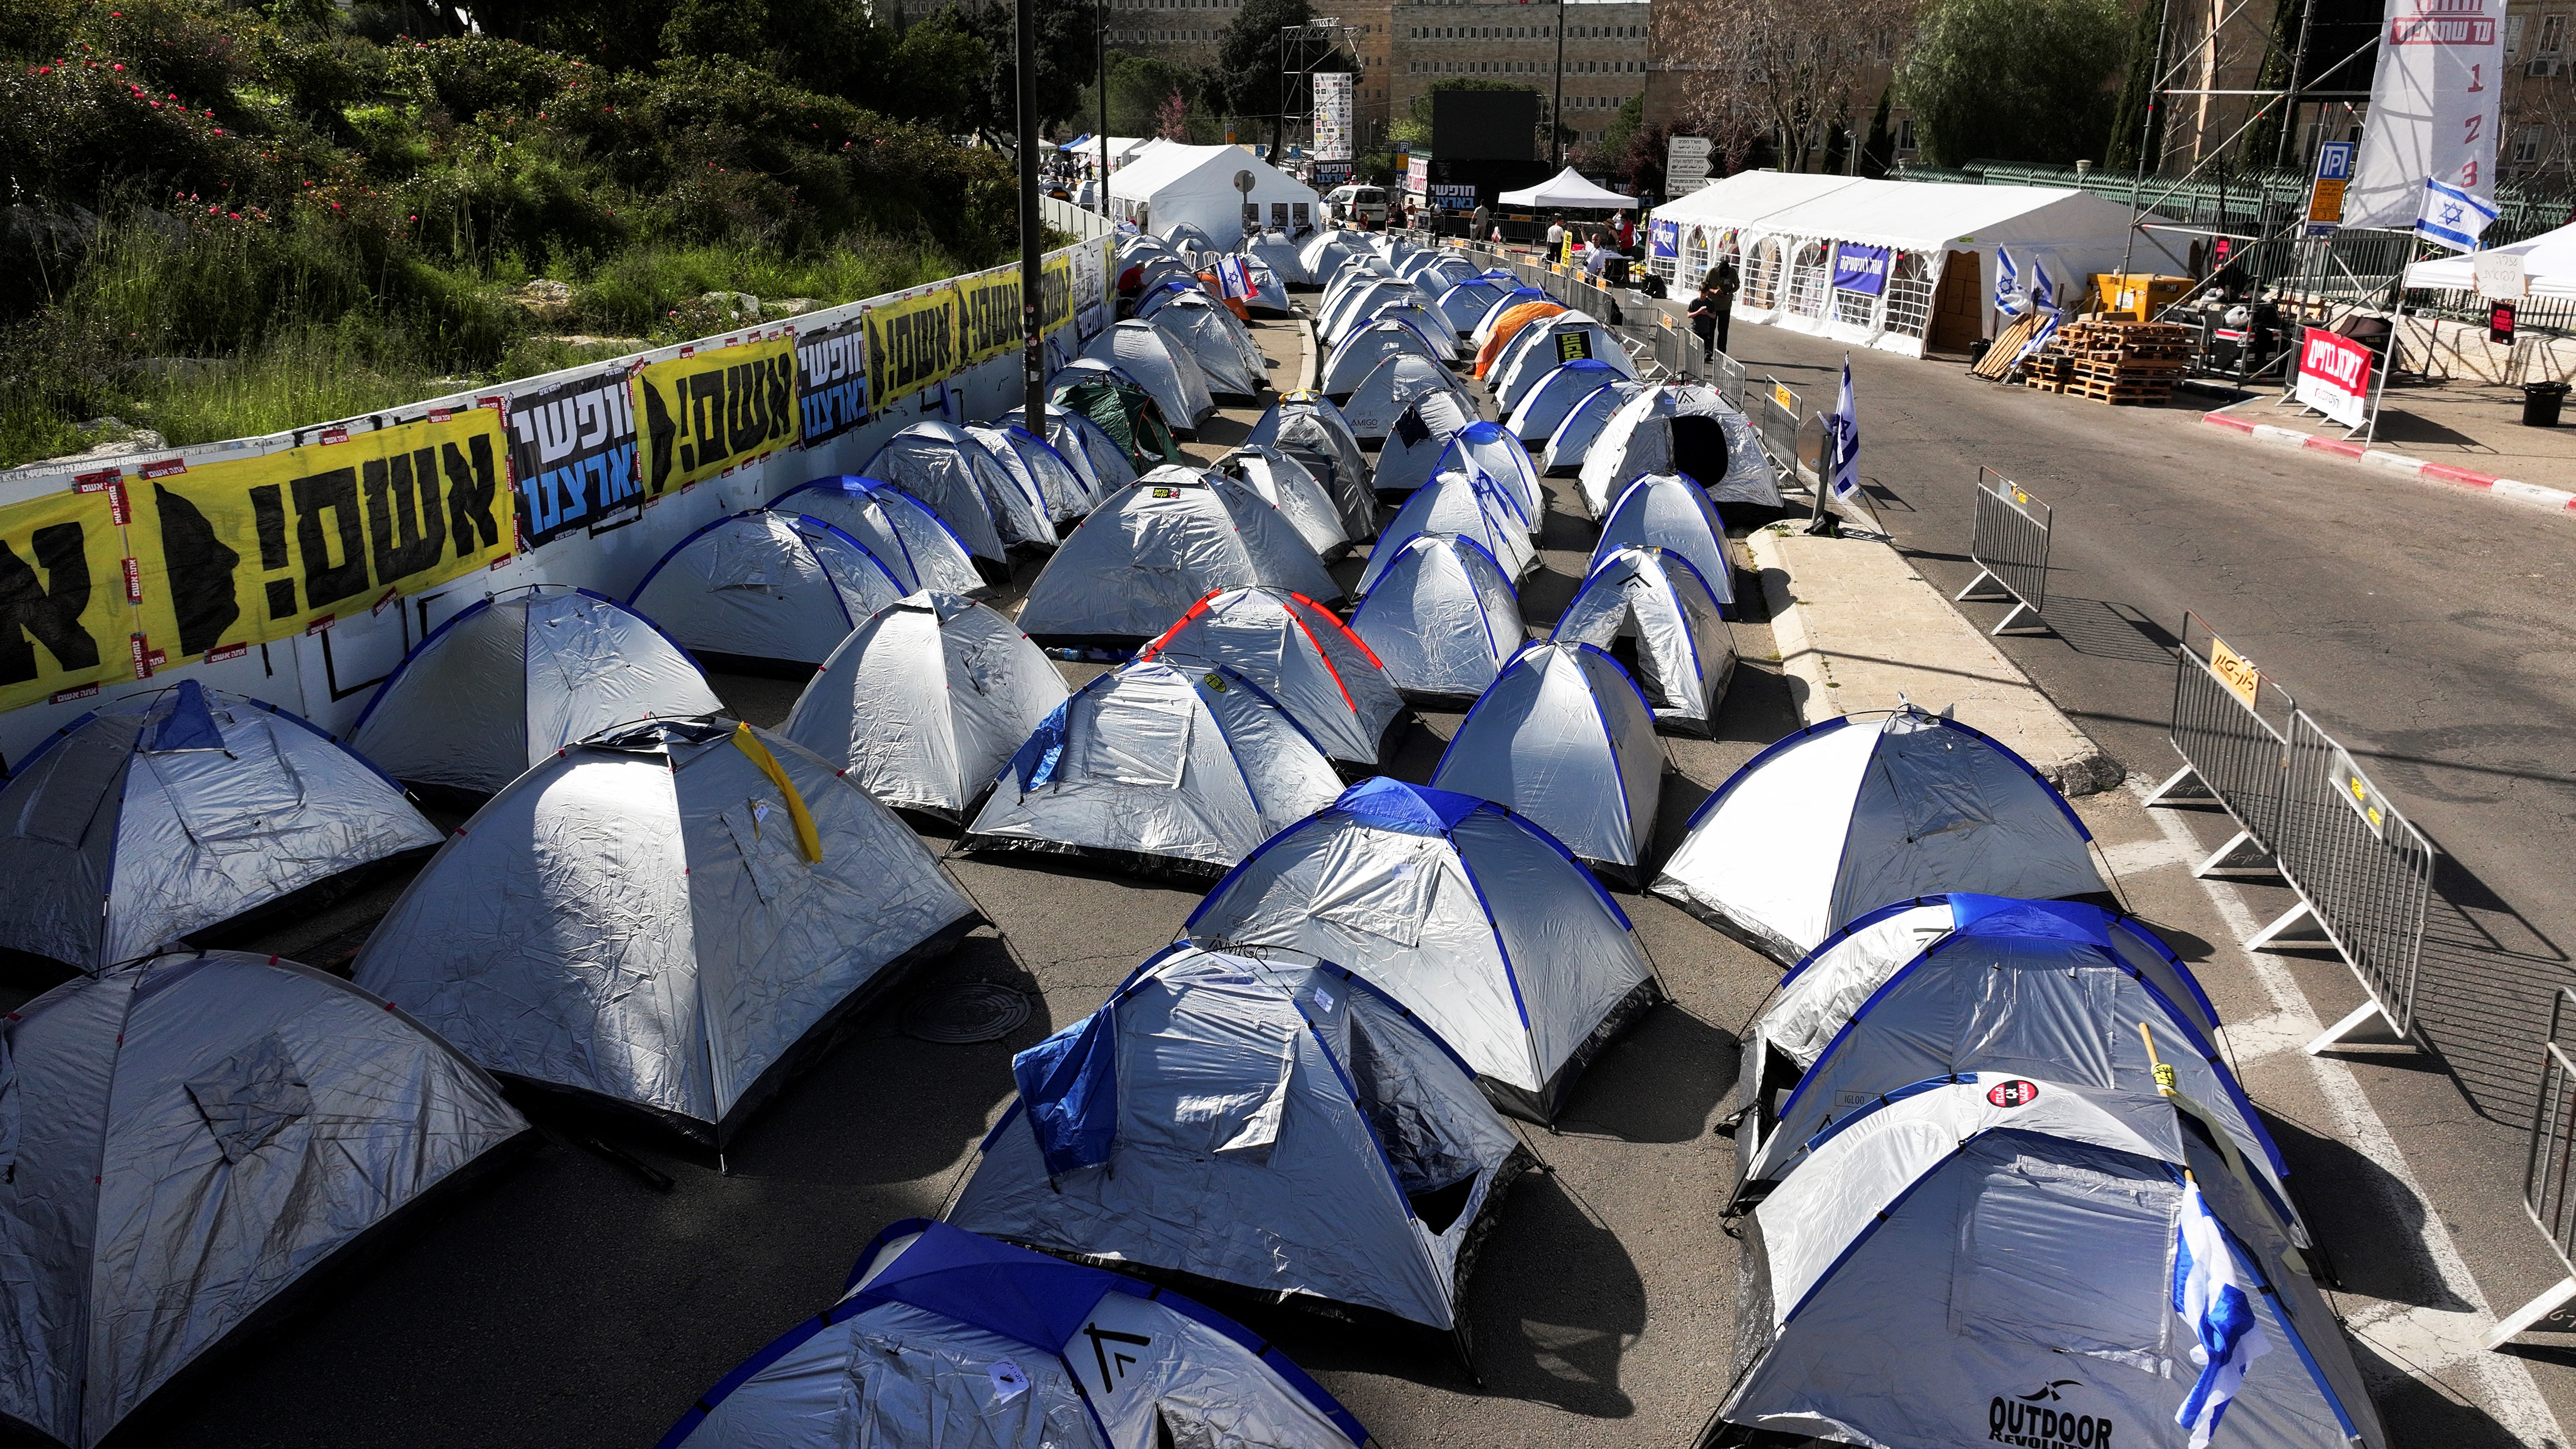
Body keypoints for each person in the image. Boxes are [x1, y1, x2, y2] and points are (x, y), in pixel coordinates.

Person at [1701, 257, 1739, 358]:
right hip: (1712, 306)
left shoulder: (1732, 273)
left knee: (1723, 331)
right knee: (1710, 330)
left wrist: (1730, 292)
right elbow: (1703, 286)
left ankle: (1721, 354)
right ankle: (1708, 352)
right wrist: (1714, 291)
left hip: (1726, 306)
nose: (1724, 273)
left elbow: (1737, 286)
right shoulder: (1712, 272)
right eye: (1722, 272)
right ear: (1719, 269)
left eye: (1726, 272)